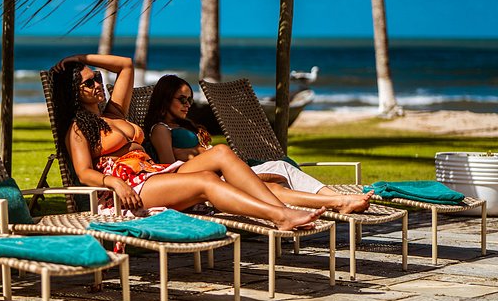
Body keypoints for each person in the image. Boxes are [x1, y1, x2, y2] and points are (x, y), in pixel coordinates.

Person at [49, 53, 326, 231]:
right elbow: (84, 173)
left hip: (153, 172)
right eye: (88, 83)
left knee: (220, 152)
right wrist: (115, 183)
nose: (97, 84)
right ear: (74, 92)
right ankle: (279, 217)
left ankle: (281, 212)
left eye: (97, 78)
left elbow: (125, 65)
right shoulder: (77, 128)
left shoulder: (114, 112)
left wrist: (80, 58)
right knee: (206, 180)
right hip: (128, 188)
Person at [144, 74, 371, 214]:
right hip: (205, 175)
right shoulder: (161, 129)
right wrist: (200, 154)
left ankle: (335, 200)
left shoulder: (185, 126)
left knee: (276, 181)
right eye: (181, 99)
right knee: (279, 172)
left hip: (220, 169)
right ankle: (335, 200)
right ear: (165, 99)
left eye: (190, 100)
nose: (187, 104)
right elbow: (168, 166)